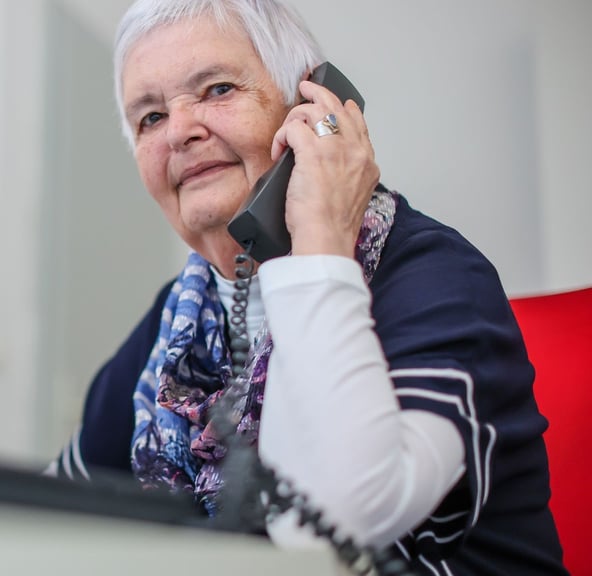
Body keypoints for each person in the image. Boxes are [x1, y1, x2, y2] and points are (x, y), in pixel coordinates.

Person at [47, 0, 567, 574]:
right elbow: (42, 516)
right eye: (150, 117)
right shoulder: (179, 324)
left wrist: (317, 235)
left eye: (217, 89)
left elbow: (329, 526)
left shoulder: (436, 275)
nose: (179, 133)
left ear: (311, 106)